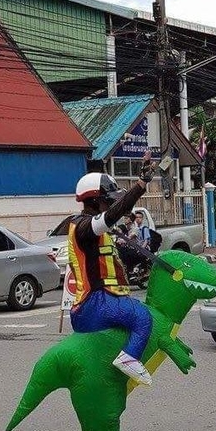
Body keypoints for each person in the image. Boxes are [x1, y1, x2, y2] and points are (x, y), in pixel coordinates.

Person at [68, 152, 157, 385]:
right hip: (93, 304)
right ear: (94, 201)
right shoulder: (84, 226)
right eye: (108, 200)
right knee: (143, 318)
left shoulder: (98, 230)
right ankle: (128, 358)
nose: (111, 205)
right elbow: (113, 213)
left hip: (101, 300)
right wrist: (140, 185)